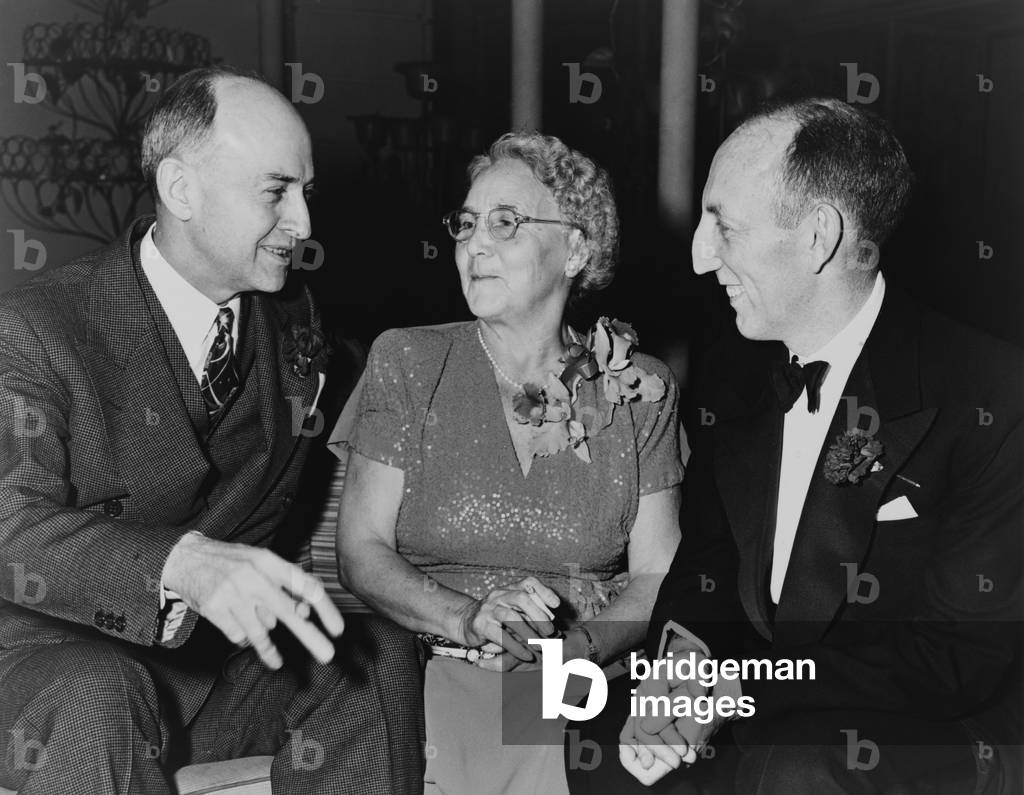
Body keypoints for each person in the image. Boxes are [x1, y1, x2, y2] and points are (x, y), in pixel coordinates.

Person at [567, 97, 1023, 794]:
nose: (697, 256)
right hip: (763, 702)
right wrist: (682, 672)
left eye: (723, 226)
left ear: (818, 237)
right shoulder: (734, 370)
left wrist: (739, 689)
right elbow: (709, 564)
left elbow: (953, 657)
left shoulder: (990, 392)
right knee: (600, 741)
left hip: (929, 723)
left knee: (795, 770)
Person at [0, 66, 424, 794]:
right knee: (99, 688)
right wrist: (182, 565)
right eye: (276, 192)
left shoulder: (297, 322)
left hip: (202, 677)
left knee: (373, 653)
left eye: (306, 194)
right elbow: (8, 520)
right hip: (44, 669)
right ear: (181, 189)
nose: (305, 226)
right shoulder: (34, 327)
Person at [330, 131, 684, 794]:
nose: (474, 245)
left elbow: (657, 575)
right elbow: (361, 549)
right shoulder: (407, 360)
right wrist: (469, 616)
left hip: (577, 690)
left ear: (576, 247)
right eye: (466, 225)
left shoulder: (637, 387)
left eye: (506, 223)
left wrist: (569, 654)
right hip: (426, 668)